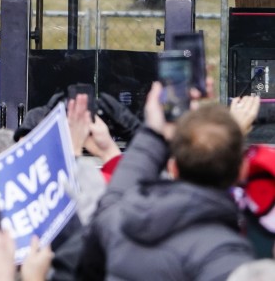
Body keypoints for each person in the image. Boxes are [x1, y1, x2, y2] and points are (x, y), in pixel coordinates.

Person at [78, 83, 254, 280]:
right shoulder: (225, 256)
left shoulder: (116, 219)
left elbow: (117, 193)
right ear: (243, 170)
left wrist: (153, 133)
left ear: (173, 168)